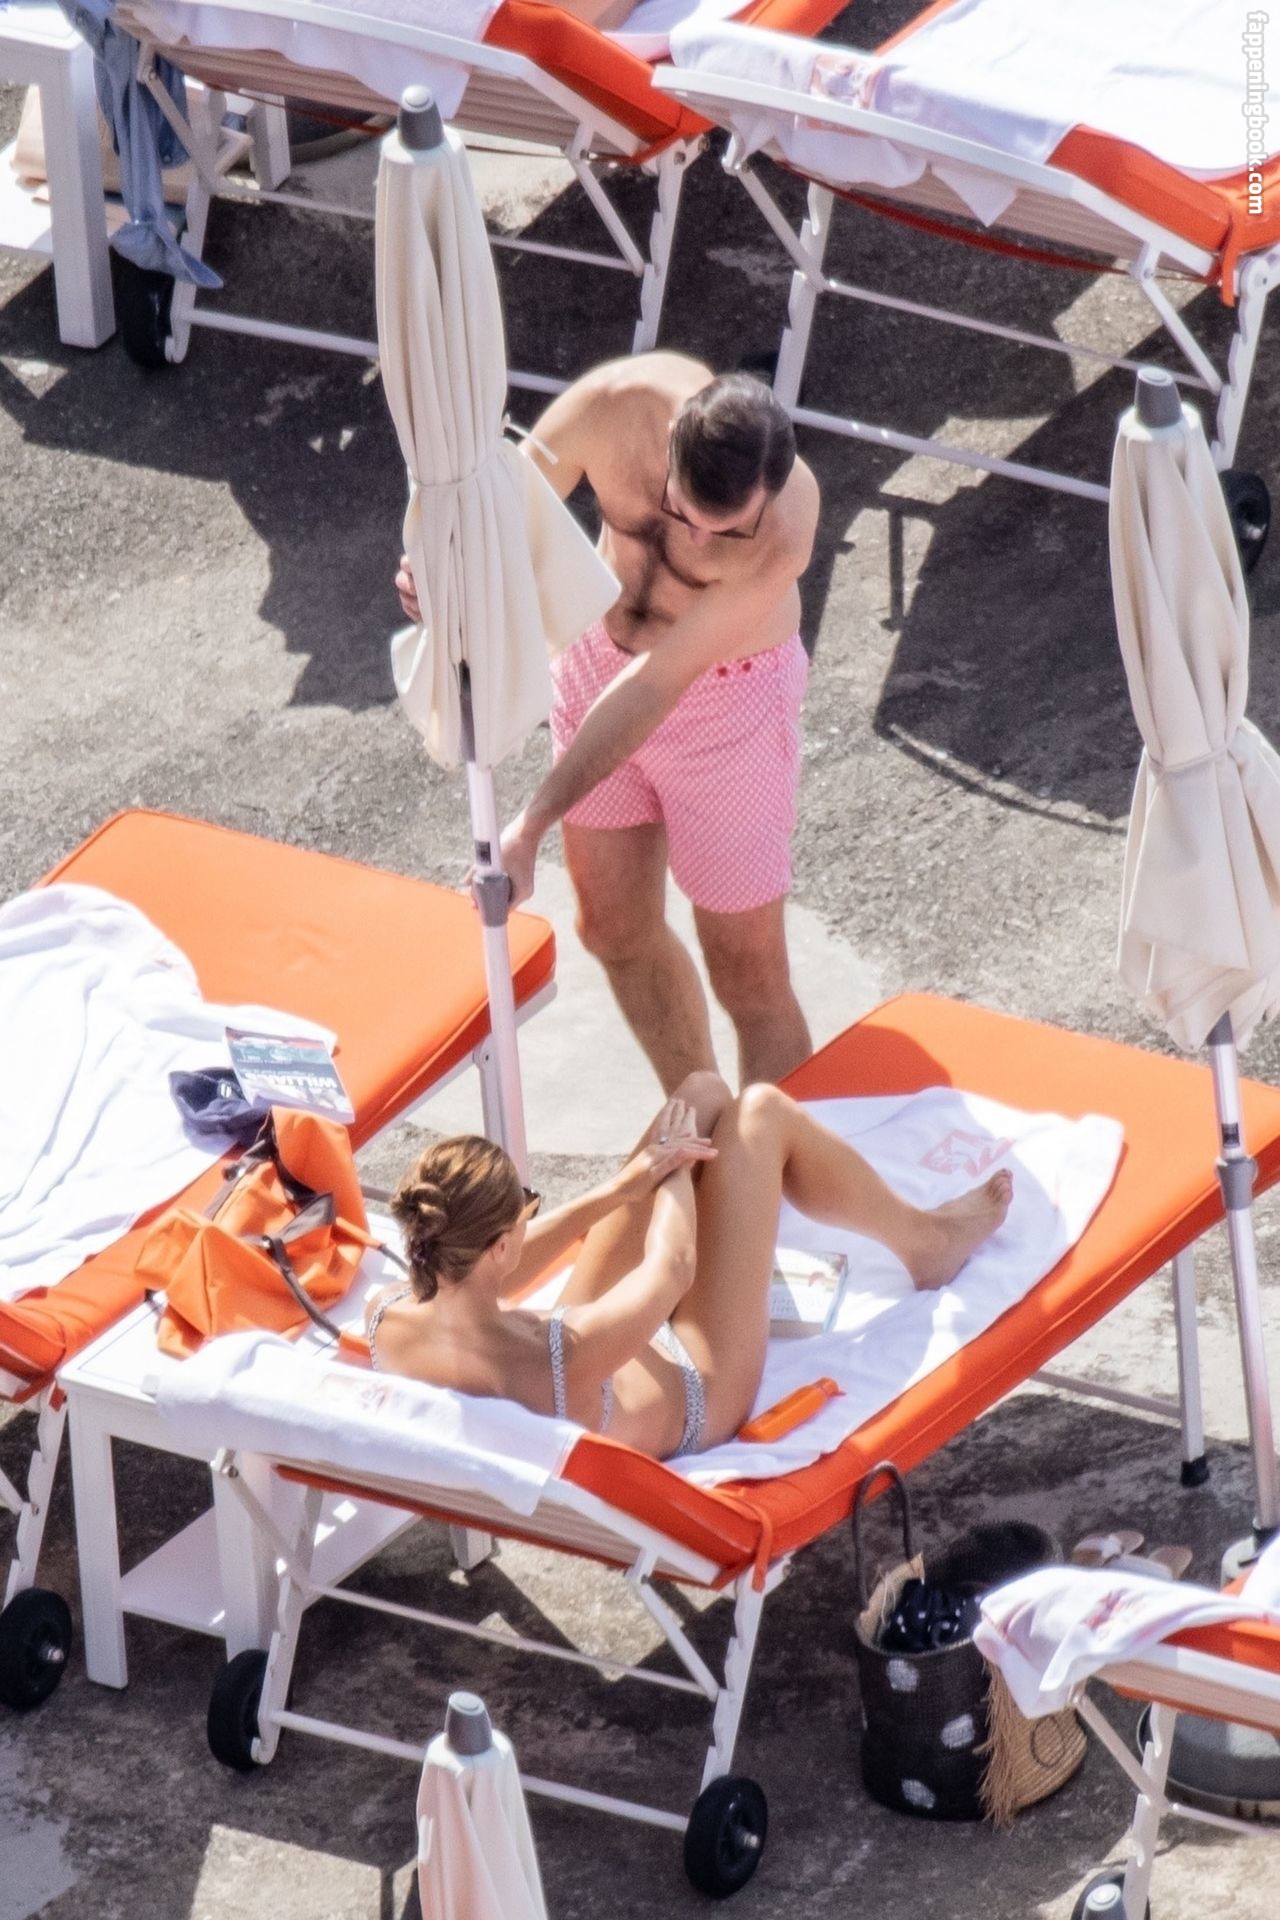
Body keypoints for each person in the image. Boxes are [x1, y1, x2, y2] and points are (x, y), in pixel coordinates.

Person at [395, 353, 821, 1093]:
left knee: (749, 974)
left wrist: (530, 823)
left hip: (726, 706)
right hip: (598, 661)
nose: (697, 541)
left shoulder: (785, 526)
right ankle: (701, 1116)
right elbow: (499, 516)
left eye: (726, 533)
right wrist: (437, 574)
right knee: (613, 930)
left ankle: (773, 1158)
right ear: (670, 446)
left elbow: (654, 687)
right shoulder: (611, 407)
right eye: (682, 514)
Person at [366, 1074, 1013, 1461]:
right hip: (700, 1382)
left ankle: (720, 1175)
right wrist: (671, 1170)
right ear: (500, 1247)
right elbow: (672, 1268)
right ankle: (927, 1243)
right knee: (759, 1112)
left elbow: (490, 1269)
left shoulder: (389, 1315)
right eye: (525, 1213)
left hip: (605, 1354)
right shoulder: (563, 1353)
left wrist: (621, 1189)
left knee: (703, 1091)